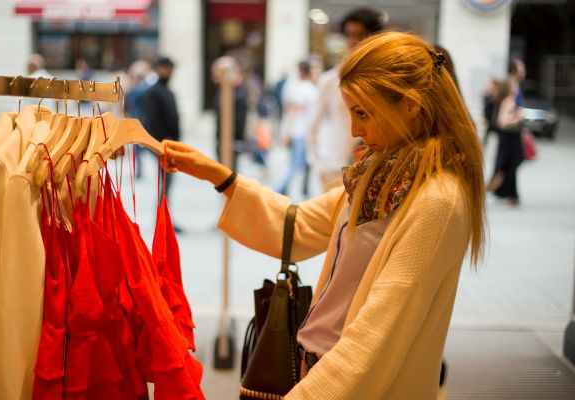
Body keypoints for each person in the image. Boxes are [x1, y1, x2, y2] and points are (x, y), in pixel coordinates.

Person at [161, 31, 486, 399]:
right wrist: (219, 176)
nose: (354, 130)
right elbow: (298, 224)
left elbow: (375, 340)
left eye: (363, 113)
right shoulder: (378, 175)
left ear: (411, 105)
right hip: (319, 371)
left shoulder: (438, 201)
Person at [309, 8, 387, 192]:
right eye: (350, 34)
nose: (354, 40)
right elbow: (312, 125)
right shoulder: (330, 80)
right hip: (335, 169)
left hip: (373, 169)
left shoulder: (382, 79)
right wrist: (318, 165)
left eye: (361, 34)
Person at [141, 56, 181, 215]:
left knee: (166, 184)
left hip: (169, 146)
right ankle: (162, 217)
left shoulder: (166, 91)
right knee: (164, 183)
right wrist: (159, 145)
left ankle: (164, 216)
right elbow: (151, 121)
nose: (171, 72)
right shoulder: (152, 92)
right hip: (161, 146)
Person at [273, 60, 318, 196]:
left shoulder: (302, 88)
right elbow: (294, 113)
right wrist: (288, 132)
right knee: (295, 164)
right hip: (300, 133)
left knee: (301, 164)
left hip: (302, 133)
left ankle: (288, 189)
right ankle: (277, 188)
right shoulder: (305, 89)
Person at [486, 79, 525, 206]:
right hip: (509, 139)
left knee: (508, 166)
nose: (517, 88)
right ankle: (502, 193)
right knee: (507, 166)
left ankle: (508, 194)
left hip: (510, 139)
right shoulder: (509, 101)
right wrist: (518, 117)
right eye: (514, 85)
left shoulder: (507, 100)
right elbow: (503, 122)